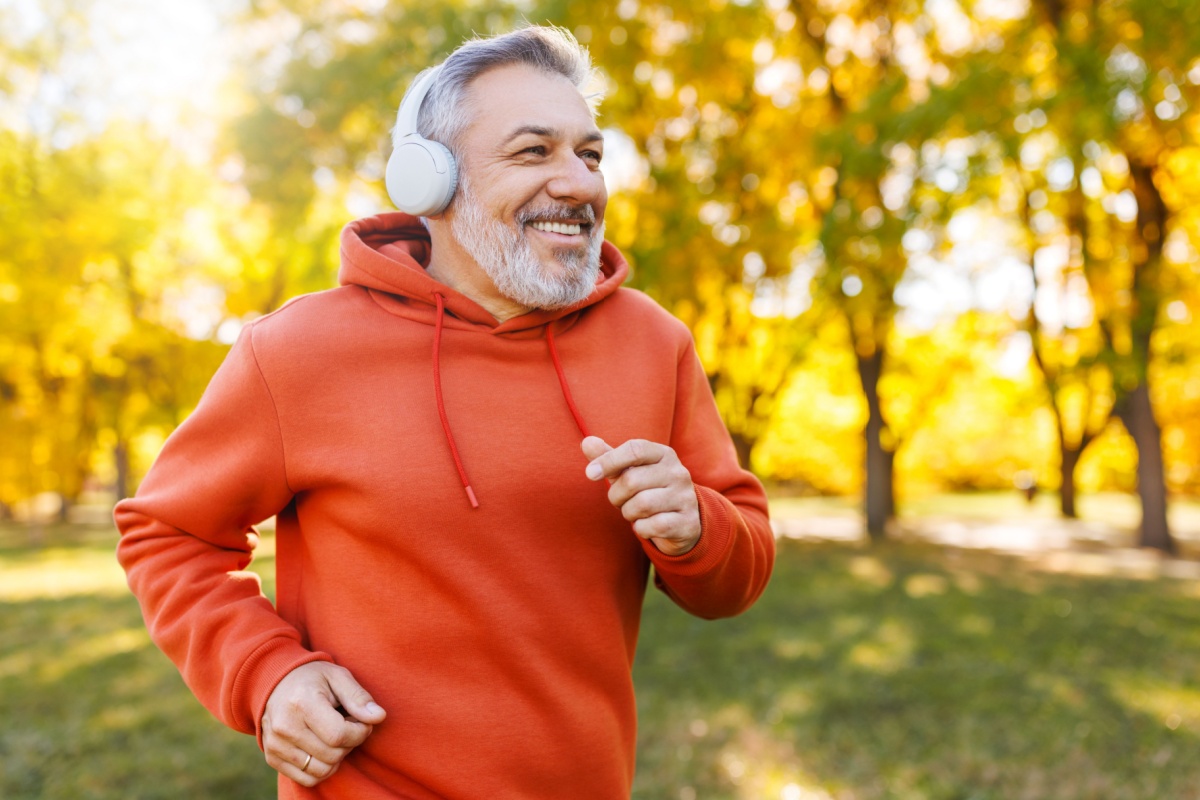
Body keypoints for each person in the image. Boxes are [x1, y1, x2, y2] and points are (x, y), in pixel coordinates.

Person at [115, 25, 774, 799]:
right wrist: (266, 674)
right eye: (535, 152)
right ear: (430, 180)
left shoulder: (653, 343)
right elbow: (169, 534)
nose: (581, 184)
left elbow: (735, 576)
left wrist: (696, 525)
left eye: (589, 155)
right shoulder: (297, 348)